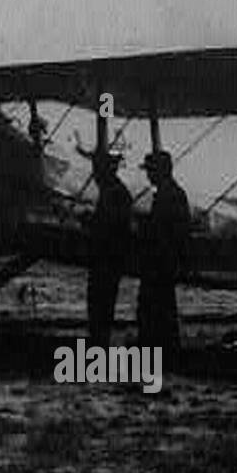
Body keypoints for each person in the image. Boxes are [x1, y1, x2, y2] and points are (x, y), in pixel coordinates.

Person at [76, 146, 132, 346]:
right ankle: (99, 342)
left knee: (100, 304)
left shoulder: (113, 193)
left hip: (106, 260)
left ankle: (99, 345)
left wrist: (87, 220)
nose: (94, 174)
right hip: (110, 259)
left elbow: (108, 227)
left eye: (97, 169)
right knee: (102, 305)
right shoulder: (115, 191)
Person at [138, 151, 190, 358]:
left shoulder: (168, 195)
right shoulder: (174, 193)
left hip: (161, 260)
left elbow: (164, 230)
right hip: (167, 260)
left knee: (153, 304)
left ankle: (157, 348)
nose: (148, 175)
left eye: (150, 170)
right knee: (163, 304)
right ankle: (166, 347)